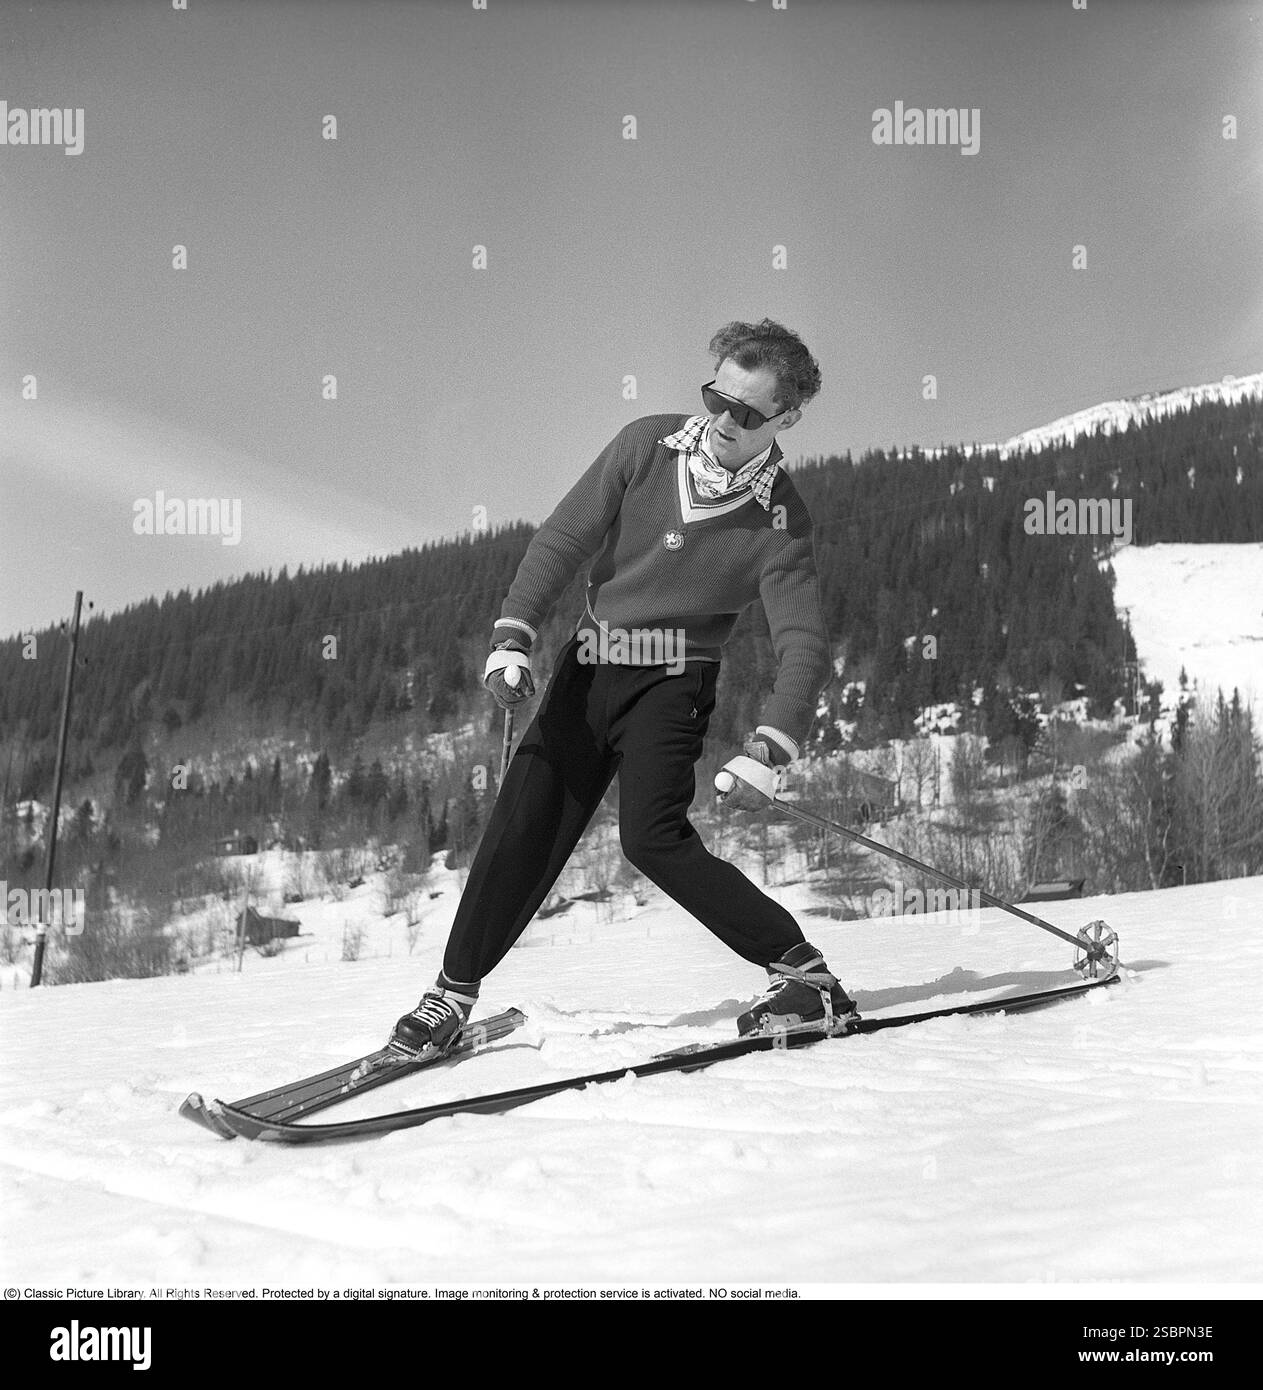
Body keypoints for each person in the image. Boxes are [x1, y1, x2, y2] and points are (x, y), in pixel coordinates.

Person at [391, 319, 858, 1056]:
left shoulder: (780, 520)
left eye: (746, 413)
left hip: (674, 679)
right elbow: (564, 538)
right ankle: (449, 995)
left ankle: (803, 975)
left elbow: (802, 641)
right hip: (592, 662)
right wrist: (513, 632)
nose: (721, 420)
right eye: (715, 397)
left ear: (787, 419)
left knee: (652, 839)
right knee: (523, 822)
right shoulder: (646, 445)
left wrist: (771, 743)